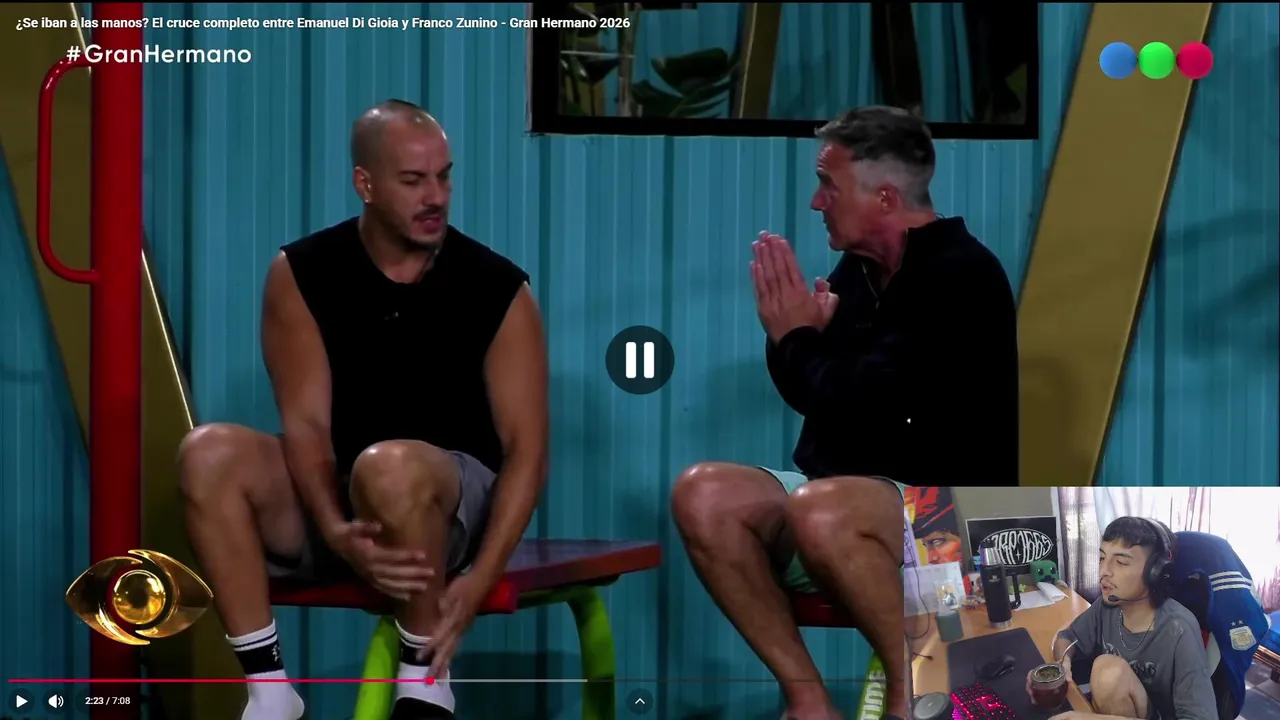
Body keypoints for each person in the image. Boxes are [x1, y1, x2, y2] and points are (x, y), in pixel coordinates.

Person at [178, 99, 549, 720]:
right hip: (348, 500)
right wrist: (333, 528)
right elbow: (306, 424)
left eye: (444, 177)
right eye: (414, 181)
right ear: (365, 184)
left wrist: (482, 576)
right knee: (208, 451)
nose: (435, 197)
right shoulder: (302, 272)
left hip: (451, 505)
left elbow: (528, 452)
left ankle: (424, 677)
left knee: (390, 465)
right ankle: (269, 693)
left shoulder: (498, 287)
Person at [673, 104, 1009, 720]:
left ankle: (916, 694)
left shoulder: (958, 274)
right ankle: (807, 700)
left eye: (828, 185)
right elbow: (819, 392)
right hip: (842, 507)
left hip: (951, 521)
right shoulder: (860, 271)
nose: (815, 202)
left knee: (819, 506)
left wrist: (798, 337)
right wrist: (791, 338)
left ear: (884, 197)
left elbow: (862, 400)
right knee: (705, 493)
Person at [1036, 517, 1216, 720]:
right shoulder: (1108, 606)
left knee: (1108, 672)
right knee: (1106, 669)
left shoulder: (1180, 628)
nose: (1103, 571)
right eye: (1102, 558)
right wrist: (1063, 665)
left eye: (1121, 562)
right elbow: (1068, 637)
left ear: (1156, 572)